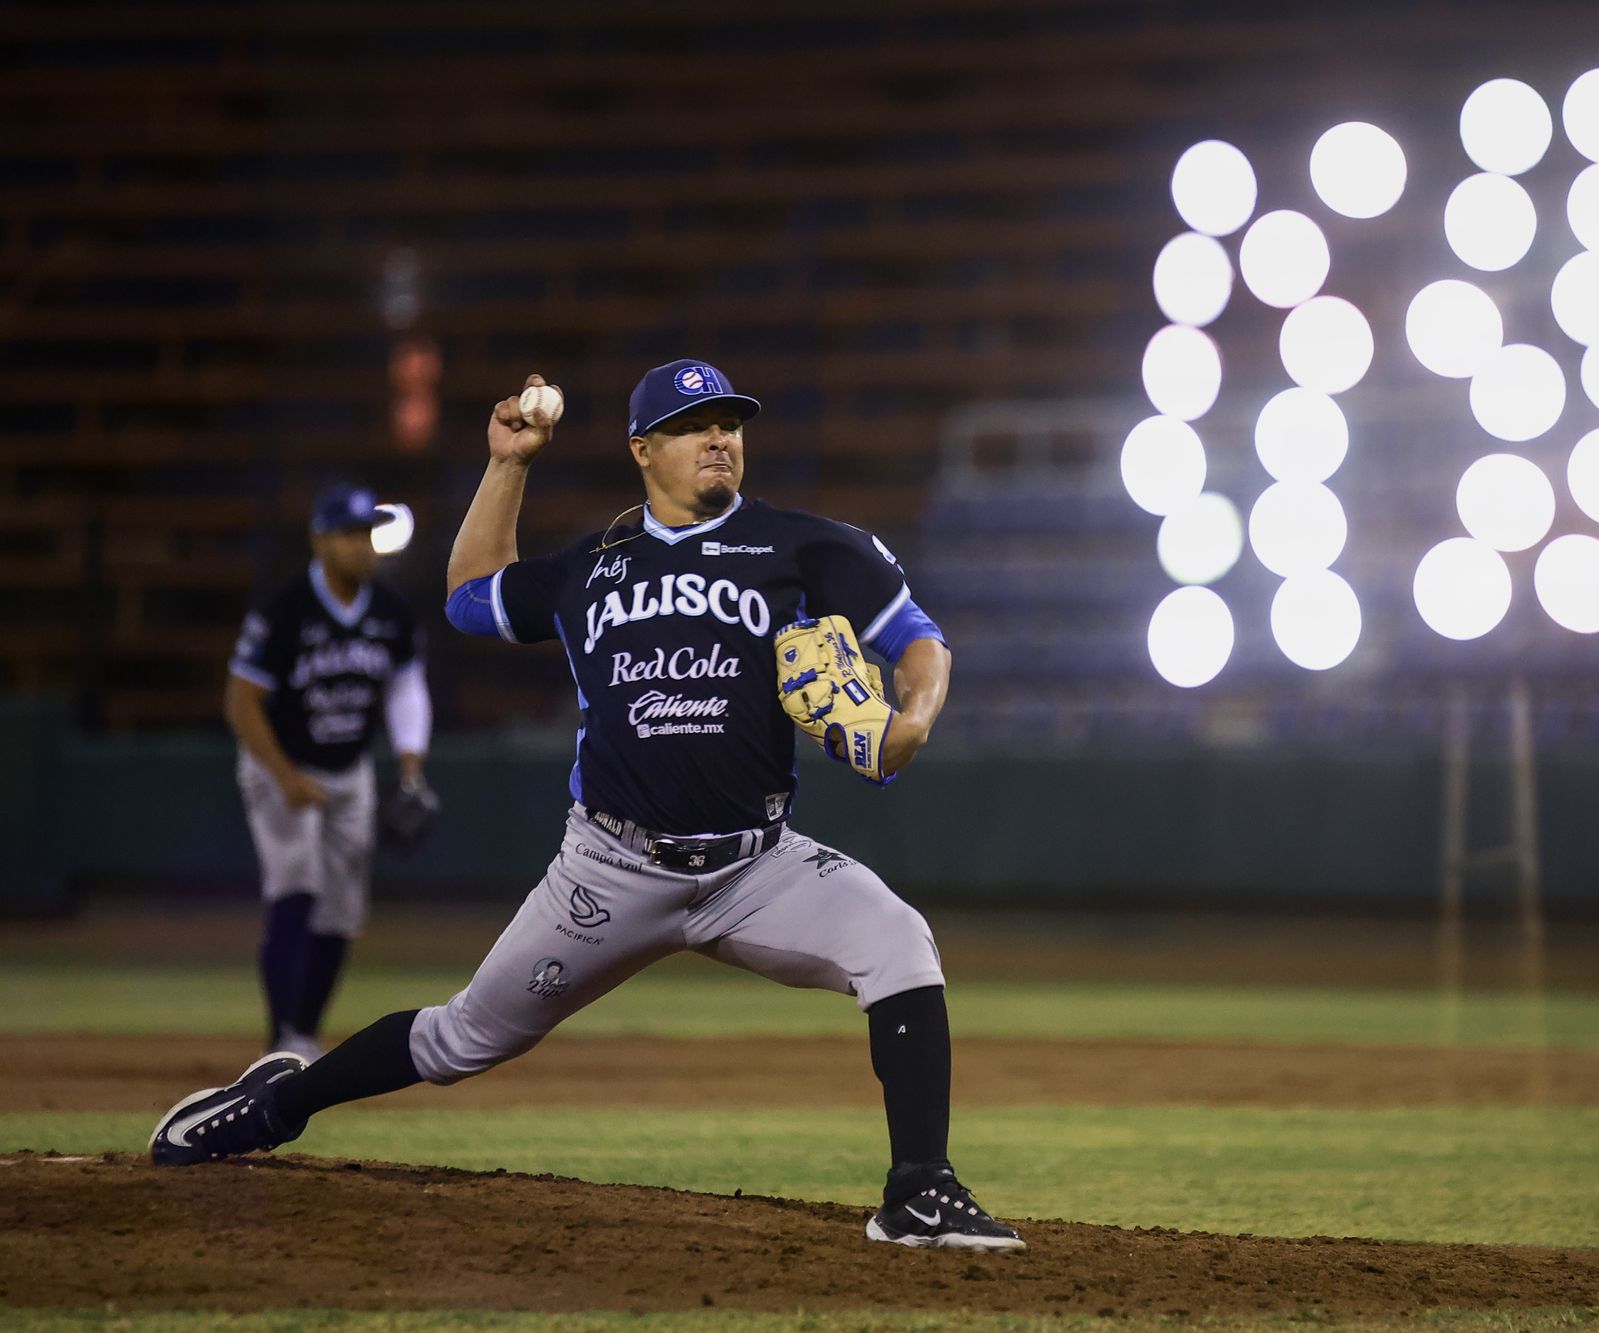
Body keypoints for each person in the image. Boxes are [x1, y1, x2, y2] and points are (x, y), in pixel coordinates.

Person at [150, 360, 1024, 1253]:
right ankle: (274, 1103)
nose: (718, 437)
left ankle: (919, 1190)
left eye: (729, 422)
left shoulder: (807, 546)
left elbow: (918, 640)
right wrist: (509, 464)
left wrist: (911, 718)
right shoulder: (592, 568)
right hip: (609, 867)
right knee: (461, 1039)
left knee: (899, 941)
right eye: (692, 425)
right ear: (644, 450)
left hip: (757, 863)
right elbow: (467, 597)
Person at [223, 484, 434, 1063]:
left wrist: (411, 765)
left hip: (349, 770)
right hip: (279, 764)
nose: (364, 547)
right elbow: (241, 702)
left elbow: (406, 688)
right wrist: (285, 776)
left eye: (369, 533)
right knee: (295, 885)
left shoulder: (389, 610)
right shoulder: (284, 609)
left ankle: (305, 1035)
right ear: (320, 539)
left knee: (342, 908)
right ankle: (280, 1036)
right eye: (351, 534)